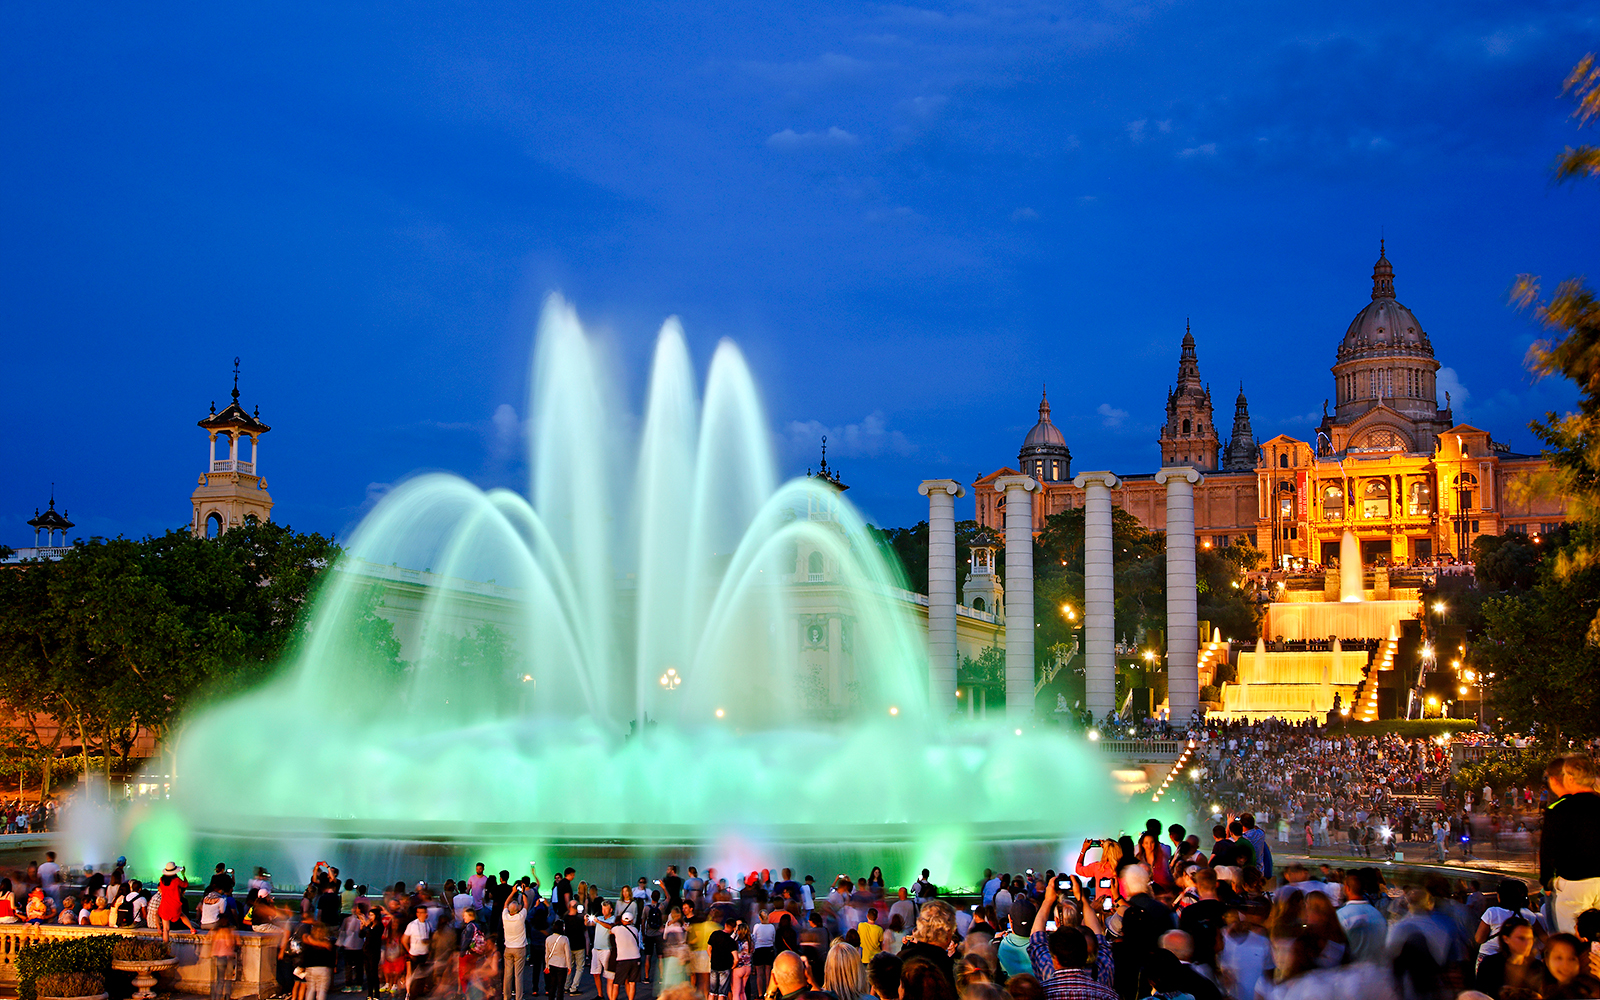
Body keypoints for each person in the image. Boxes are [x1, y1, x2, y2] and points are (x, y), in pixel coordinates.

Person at [1024, 878, 1115, 1000]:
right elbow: (1100, 940)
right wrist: (1082, 898)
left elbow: (1036, 941)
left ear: (1055, 959)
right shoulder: (1104, 984)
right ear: (1084, 954)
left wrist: (1048, 901)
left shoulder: (1042, 990)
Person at [1542, 754, 1600, 933]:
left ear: (1571, 778)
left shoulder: (1559, 810)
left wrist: (1546, 882)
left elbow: (1547, 849)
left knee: (1571, 936)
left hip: (1575, 882)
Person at [1474, 916, 1546, 998]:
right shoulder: (1490, 964)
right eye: (1521, 938)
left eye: (1530, 939)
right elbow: (1479, 994)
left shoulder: (1537, 967)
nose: (1527, 943)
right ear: (1506, 939)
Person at [1544, 931, 1600, 999]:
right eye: (1559, 958)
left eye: (1572, 959)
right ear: (1547, 960)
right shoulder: (1541, 991)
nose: (1565, 965)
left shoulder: (1591, 990)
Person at [158, 862, 197, 942]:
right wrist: (183, 875)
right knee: (181, 915)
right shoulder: (176, 880)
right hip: (174, 905)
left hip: (164, 905)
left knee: (166, 929)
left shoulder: (161, 880)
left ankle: (165, 947)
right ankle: (192, 929)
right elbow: (185, 884)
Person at [403, 904, 431, 1000]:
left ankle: (419, 992)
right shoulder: (412, 925)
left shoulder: (428, 924)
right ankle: (410, 994)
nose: (423, 914)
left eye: (424, 912)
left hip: (424, 953)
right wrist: (409, 951)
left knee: (422, 976)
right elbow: (404, 940)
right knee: (413, 975)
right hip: (414, 954)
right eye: (420, 913)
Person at [612, 910, 642, 1000]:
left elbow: (610, 930)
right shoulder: (635, 930)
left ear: (621, 920)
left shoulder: (616, 929)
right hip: (636, 957)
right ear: (632, 920)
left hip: (623, 959)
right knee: (632, 982)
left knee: (616, 983)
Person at [211, 916, 240, 1000]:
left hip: (218, 957)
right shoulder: (231, 931)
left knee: (219, 979)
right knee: (228, 979)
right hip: (229, 956)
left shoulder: (215, 931)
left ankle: (217, 997)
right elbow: (231, 943)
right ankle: (227, 996)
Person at [544, 913, 573, 1000]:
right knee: (560, 987)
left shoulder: (548, 939)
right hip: (562, 965)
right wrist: (569, 966)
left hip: (552, 964)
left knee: (552, 985)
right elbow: (567, 954)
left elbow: (547, 954)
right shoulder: (565, 939)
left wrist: (547, 965)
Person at [708, 917, 738, 1000]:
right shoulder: (731, 941)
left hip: (714, 966)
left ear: (725, 925)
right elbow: (736, 958)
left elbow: (708, 949)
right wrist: (733, 966)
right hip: (725, 968)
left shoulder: (714, 934)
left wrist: (712, 958)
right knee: (722, 993)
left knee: (712, 991)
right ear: (734, 928)